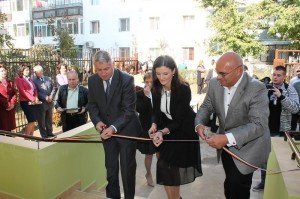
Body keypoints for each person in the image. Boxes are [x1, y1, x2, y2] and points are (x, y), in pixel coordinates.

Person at [195, 52, 271, 199]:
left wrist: (226, 138)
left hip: (249, 146)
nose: (218, 77)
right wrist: (199, 124)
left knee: (239, 186)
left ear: (239, 71)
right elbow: (206, 107)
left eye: (222, 74)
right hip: (225, 146)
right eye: (217, 72)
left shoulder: (257, 88)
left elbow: (259, 124)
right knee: (230, 184)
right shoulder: (215, 84)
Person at [87, 50, 142, 199]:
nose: (103, 73)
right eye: (99, 70)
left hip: (126, 131)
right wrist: (97, 121)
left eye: (106, 69)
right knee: (111, 170)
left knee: (127, 170)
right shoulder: (92, 81)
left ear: (112, 64)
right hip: (106, 133)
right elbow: (92, 105)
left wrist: (113, 127)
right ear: (95, 68)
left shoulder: (127, 79)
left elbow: (128, 110)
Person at [149, 55, 202, 199]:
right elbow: (155, 111)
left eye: (165, 73)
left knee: (173, 170)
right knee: (165, 169)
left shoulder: (183, 89)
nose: (161, 77)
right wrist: (154, 125)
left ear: (174, 71)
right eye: (158, 73)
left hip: (182, 131)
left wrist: (161, 131)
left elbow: (178, 120)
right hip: (166, 129)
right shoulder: (156, 87)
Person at [252, 65, 299, 192]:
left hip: (282, 131)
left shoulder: (290, 89)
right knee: (264, 158)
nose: (275, 77)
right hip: (265, 130)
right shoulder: (265, 88)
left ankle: (278, 183)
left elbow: (296, 108)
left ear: (284, 77)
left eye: (279, 75)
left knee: (279, 159)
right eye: (274, 74)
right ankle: (264, 182)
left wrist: (281, 97)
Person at [136, 71, 157, 187]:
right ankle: (148, 173)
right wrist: (146, 97)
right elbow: (139, 109)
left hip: (159, 126)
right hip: (146, 127)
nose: (149, 84)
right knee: (149, 154)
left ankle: (162, 173)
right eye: (147, 81)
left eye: (151, 82)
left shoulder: (159, 92)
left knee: (160, 152)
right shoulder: (139, 94)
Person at [15, 64, 40, 136]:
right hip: (25, 102)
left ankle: (31, 137)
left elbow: (35, 89)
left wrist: (36, 97)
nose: (28, 71)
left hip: (33, 102)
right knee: (31, 120)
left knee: (33, 121)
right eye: (26, 70)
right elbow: (23, 91)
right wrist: (32, 99)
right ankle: (26, 137)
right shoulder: (19, 79)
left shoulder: (30, 79)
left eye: (28, 70)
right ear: (21, 71)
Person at [33, 65, 56, 138]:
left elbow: (54, 88)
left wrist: (51, 96)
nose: (36, 73)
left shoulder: (48, 78)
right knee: (41, 120)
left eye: (37, 72)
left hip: (50, 102)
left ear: (41, 71)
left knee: (49, 119)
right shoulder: (34, 81)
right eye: (35, 72)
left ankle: (49, 132)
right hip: (41, 103)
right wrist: (45, 97)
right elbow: (36, 92)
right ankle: (43, 135)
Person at [0, 64, 17, 131]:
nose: (4, 72)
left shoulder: (10, 82)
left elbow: (14, 94)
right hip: (2, 109)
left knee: (9, 128)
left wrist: (12, 104)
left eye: (4, 70)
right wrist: (7, 105)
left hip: (10, 109)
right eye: (2, 71)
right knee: (3, 129)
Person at [289, 65, 300, 131]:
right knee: (293, 122)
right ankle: (291, 136)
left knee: (293, 122)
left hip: (295, 103)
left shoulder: (293, 81)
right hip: (295, 103)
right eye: (298, 71)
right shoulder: (293, 81)